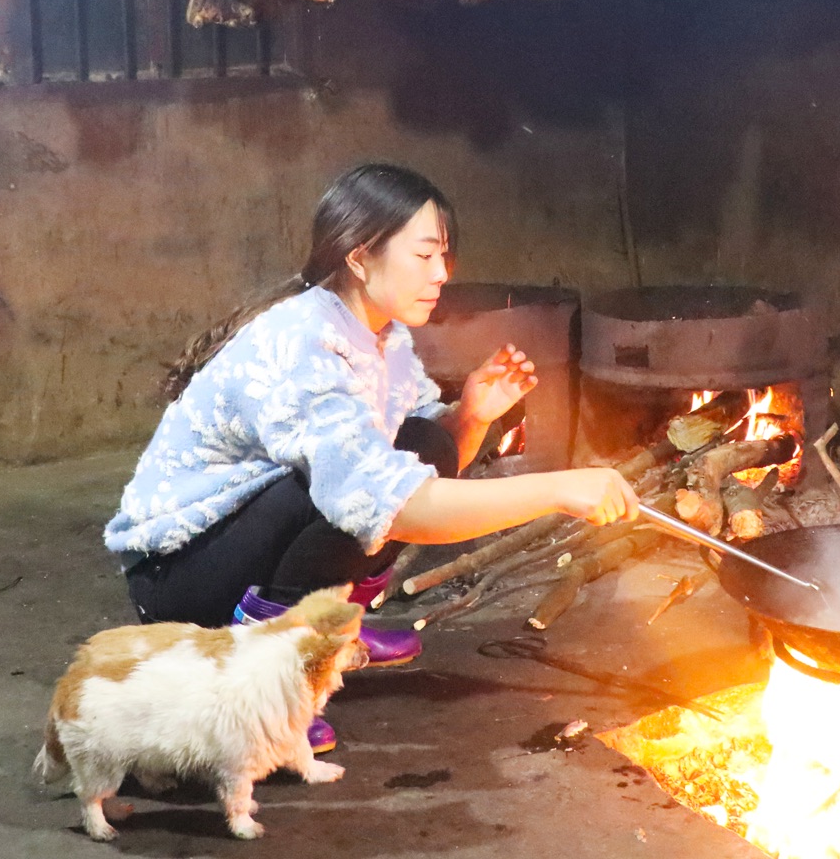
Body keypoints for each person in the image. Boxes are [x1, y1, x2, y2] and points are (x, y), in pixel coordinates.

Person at [105, 163, 640, 751]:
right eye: (424, 256)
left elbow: (423, 470)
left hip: (239, 546)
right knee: (347, 493)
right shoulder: (305, 342)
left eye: (444, 256)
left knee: (423, 441)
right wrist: (560, 489)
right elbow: (396, 505)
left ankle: (331, 633)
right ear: (360, 257)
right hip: (180, 580)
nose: (443, 273)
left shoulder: (382, 336)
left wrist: (471, 417)